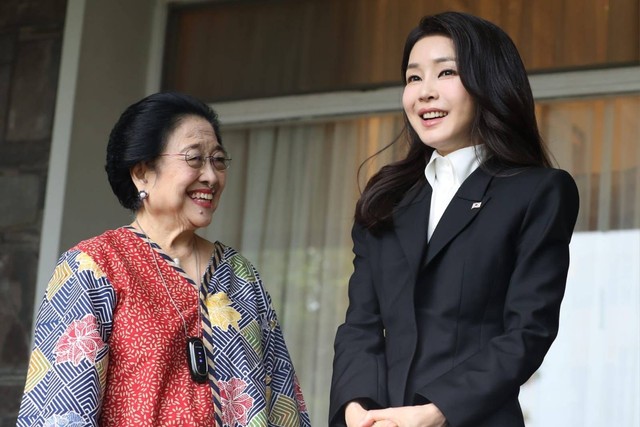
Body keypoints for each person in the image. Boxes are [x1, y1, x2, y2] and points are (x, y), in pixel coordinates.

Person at [329, 11, 579, 427]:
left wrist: (437, 411)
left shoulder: (537, 191)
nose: (424, 92)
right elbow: (360, 326)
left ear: (489, 83)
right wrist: (356, 409)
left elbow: (527, 332)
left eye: (445, 73)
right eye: (413, 78)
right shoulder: (386, 198)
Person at [18, 92, 311, 427]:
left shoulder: (240, 275)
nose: (212, 177)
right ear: (142, 173)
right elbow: (61, 412)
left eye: (218, 160)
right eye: (195, 159)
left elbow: (285, 401)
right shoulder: (94, 266)